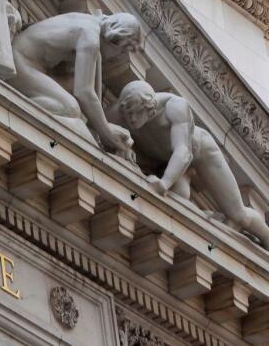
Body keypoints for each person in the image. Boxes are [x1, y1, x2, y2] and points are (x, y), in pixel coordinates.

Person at [110, 81, 269, 247]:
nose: (132, 119)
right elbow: (99, 123)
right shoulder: (123, 110)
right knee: (179, 203)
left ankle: (266, 238)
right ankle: (210, 217)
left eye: (137, 113)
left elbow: (183, 152)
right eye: (128, 114)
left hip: (199, 155)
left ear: (149, 107)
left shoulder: (175, 106)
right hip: (165, 162)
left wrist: (164, 183)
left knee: (238, 214)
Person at [10, 12, 142, 155]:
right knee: (69, 108)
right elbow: (84, 92)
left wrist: (100, 128)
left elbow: (90, 91)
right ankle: (15, 107)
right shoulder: (90, 38)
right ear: (114, 38)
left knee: (75, 102)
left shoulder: (91, 25)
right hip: (21, 63)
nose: (118, 55)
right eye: (123, 49)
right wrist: (108, 134)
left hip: (33, 65)